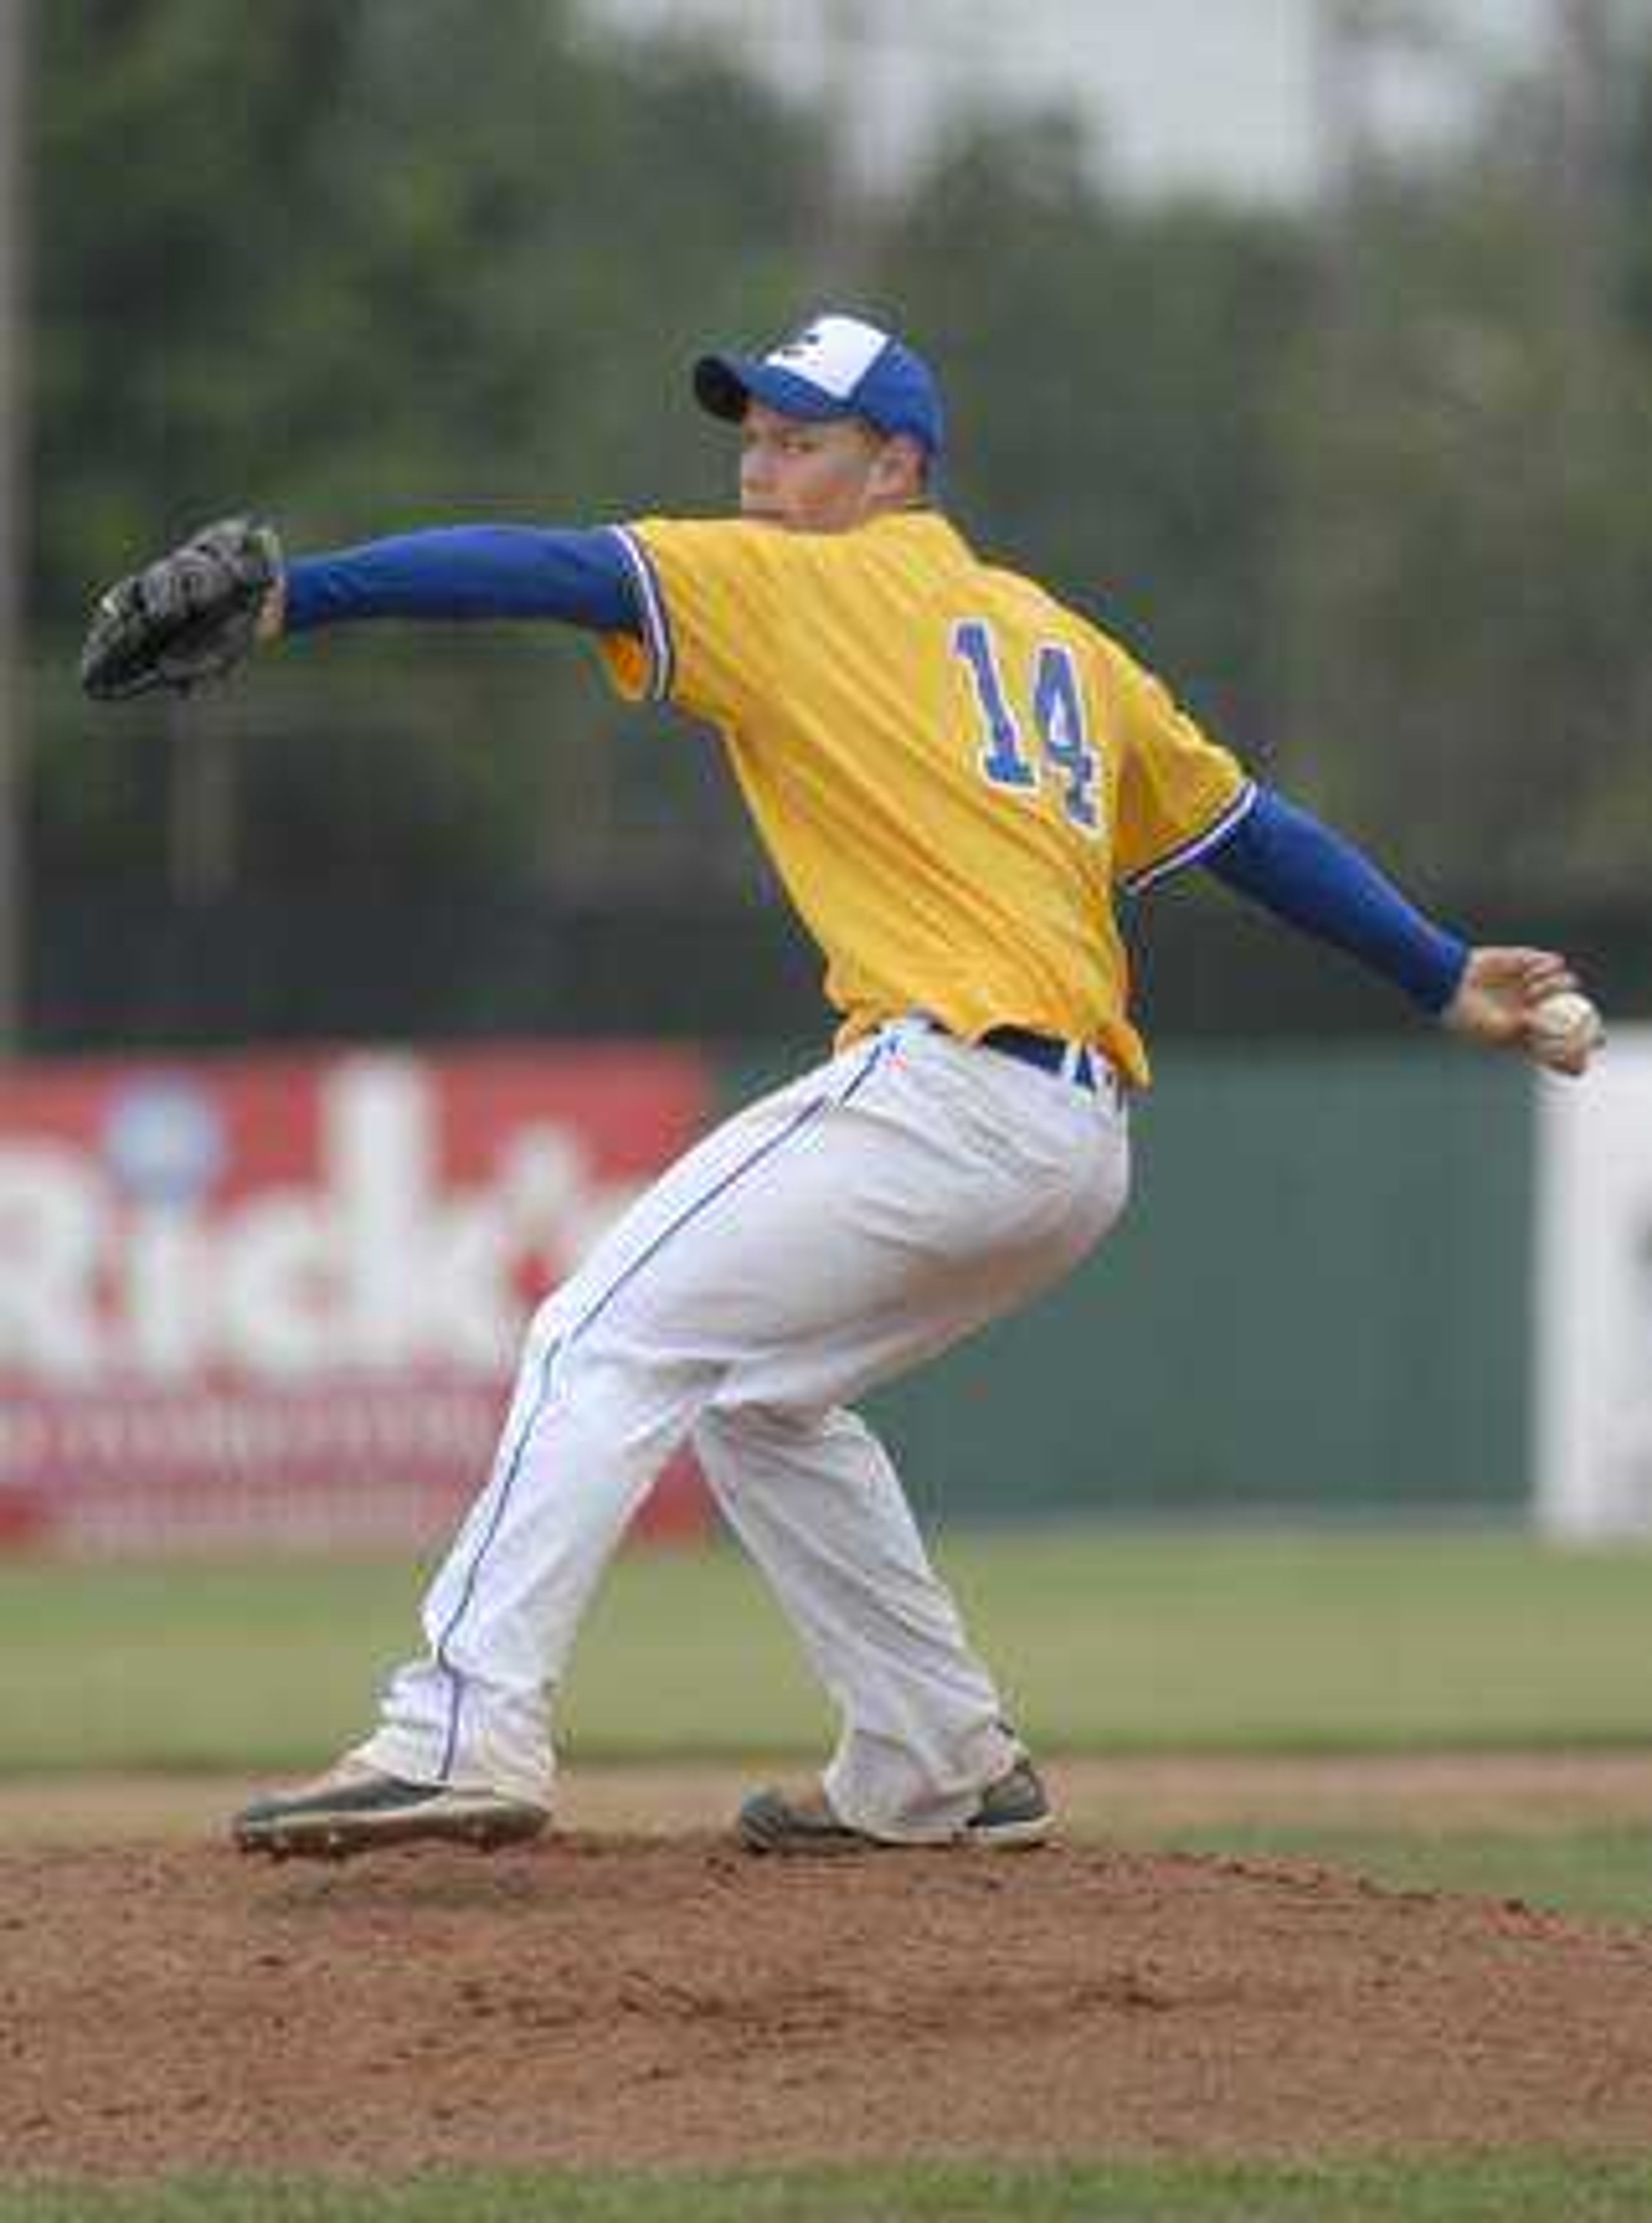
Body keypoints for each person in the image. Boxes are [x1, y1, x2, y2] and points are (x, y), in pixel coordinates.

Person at [88, 312, 1596, 1861]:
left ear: (900, 465)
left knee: (595, 1337)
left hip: (946, 1089)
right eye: (750, 437)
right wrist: (1438, 970)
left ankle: (461, 1727)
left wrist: (298, 599)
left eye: (800, 441)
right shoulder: (1061, 643)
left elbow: (550, 571)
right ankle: (937, 1756)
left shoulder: (798, 585)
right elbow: (1251, 834)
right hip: (1072, 1145)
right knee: (759, 1400)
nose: (760, 471)